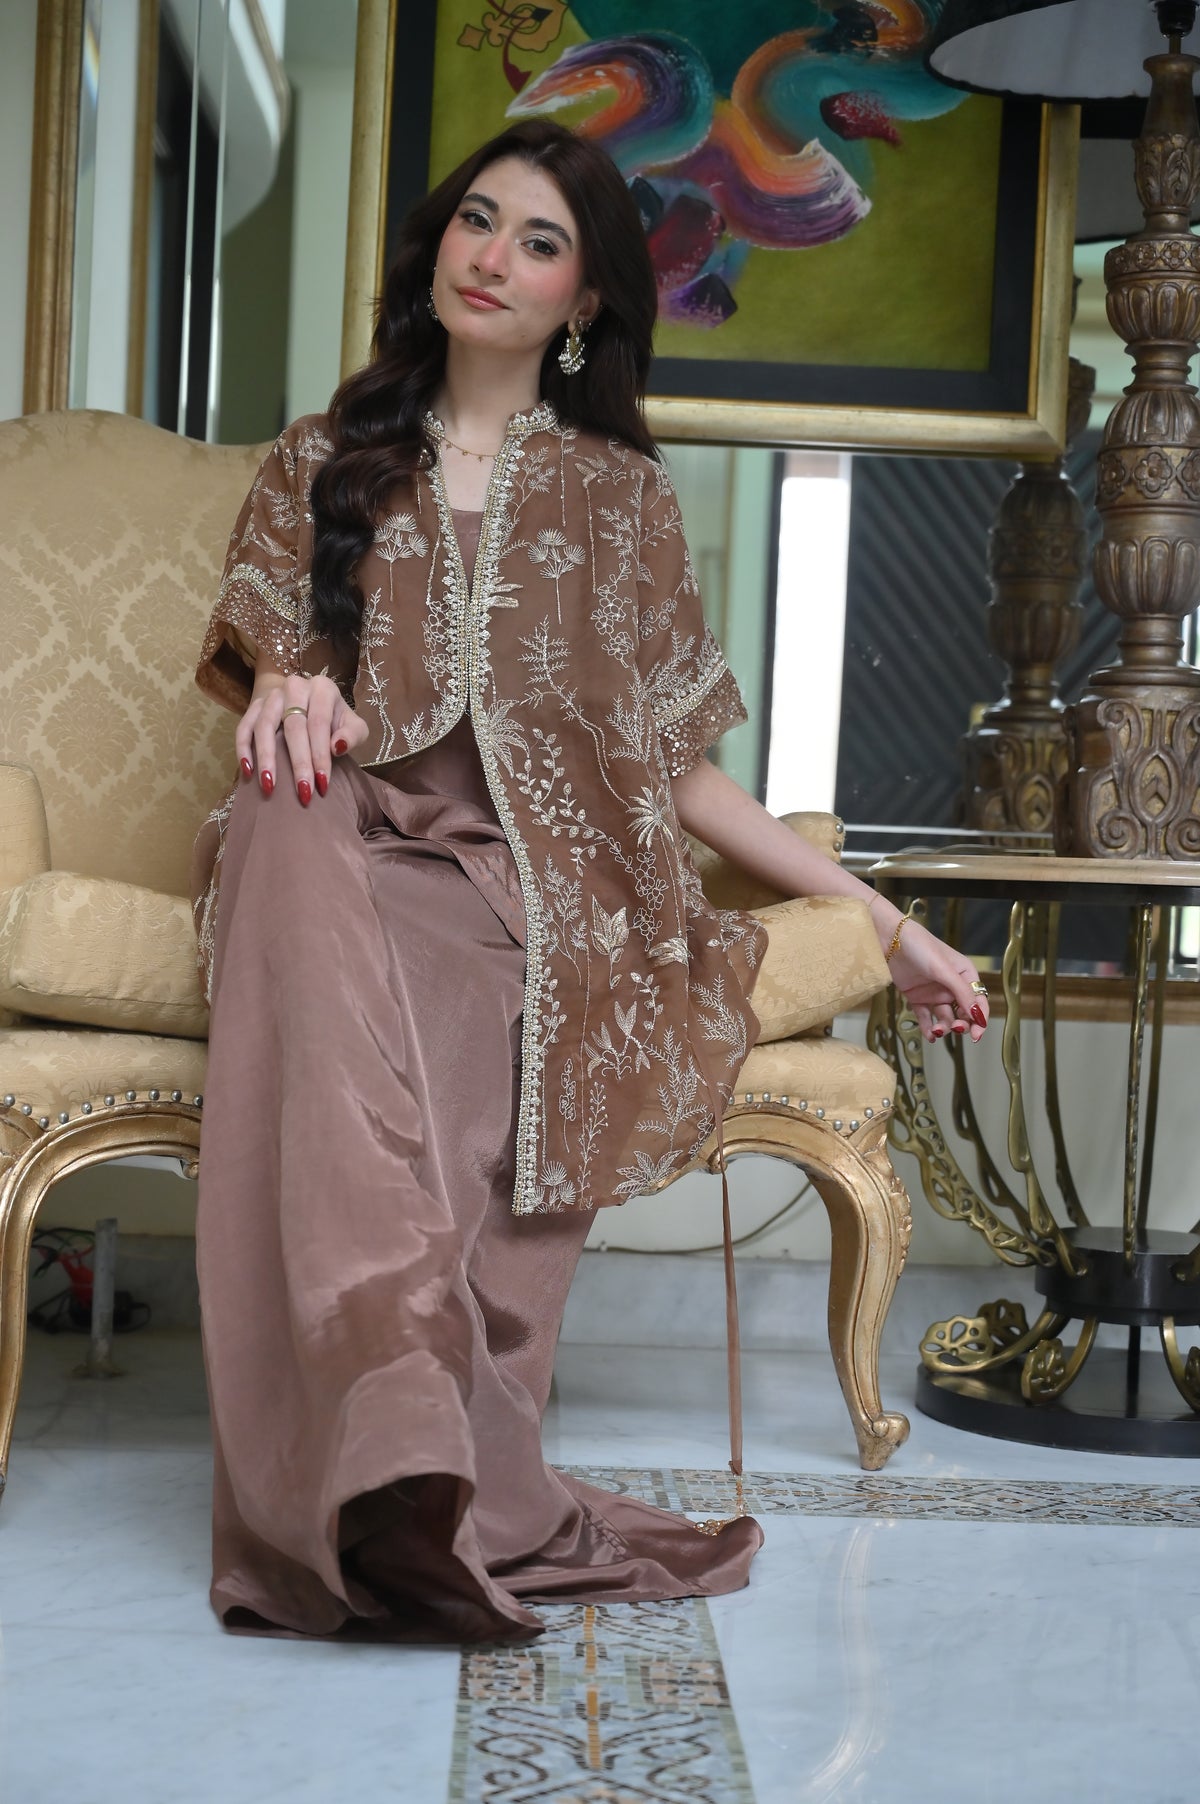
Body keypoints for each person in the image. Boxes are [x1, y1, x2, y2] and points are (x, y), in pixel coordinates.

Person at [189, 118, 989, 1643]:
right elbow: (272, 658)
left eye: (539, 241)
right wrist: (291, 685)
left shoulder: (622, 502)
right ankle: (389, 1465)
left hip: (530, 896)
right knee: (285, 811)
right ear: (437, 243)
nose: (493, 258)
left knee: (471, 1030)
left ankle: (416, 1483)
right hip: (330, 846)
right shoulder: (318, 457)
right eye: (476, 221)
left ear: (587, 300)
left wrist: (884, 924)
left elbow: (681, 774)